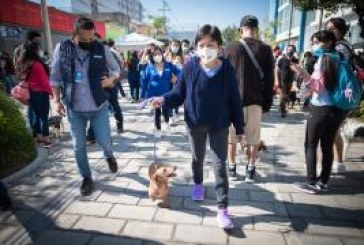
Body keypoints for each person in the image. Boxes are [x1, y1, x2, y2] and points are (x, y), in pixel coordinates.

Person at [150, 25, 244, 229]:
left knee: (220, 165)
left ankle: (223, 210)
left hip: (219, 124)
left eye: (211, 44)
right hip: (195, 124)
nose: (206, 48)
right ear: (196, 46)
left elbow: (235, 101)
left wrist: (240, 128)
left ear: (220, 47)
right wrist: (162, 100)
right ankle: (199, 184)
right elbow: (178, 94)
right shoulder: (190, 67)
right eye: (202, 45)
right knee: (197, 158)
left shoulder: (227, 70)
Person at [50, 17, 120, 196]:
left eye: (92, 38)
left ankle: (109, 155)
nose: (90, 41)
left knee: (105, 140)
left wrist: (111, 80)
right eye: (85, 39)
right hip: (75, 109)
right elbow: (56, 77)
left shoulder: (102, 48)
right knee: (78, 146)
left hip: (99, 106)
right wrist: (57, 101)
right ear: (74, 35)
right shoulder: (62, 49)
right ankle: (86, 177)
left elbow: (116, 69)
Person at [290, 30, 345, 194]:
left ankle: (311, 182)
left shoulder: (323, 59)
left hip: (320, 107)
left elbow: (317, 87)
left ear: (327, 42)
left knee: (310, 144)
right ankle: (324, 181)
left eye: (316, 42)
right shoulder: (340, 57)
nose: (313, 45)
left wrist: (304, 74)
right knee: (327, 145)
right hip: (337, 108)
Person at [225, 15, 274, 182]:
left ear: (240, 29)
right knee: (253, 137)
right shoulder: (266, 49)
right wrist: (267, 102)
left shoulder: (230, 48)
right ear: (257, 29)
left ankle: (231, 169)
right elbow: (269, 80)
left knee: (230, 138)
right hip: (255, 101)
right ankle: (251, 170)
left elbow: (223, 77)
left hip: (232, 102)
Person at [325, 17, 354, 174]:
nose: (330, 31)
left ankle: (324, 166)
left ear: (342, 30)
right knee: (334, 130)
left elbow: (333, 70)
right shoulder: (343, 45)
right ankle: (338, 162)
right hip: (339, 93)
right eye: (328, 28)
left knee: (328, 130)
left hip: (337, 94)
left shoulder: (340, 47)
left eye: (334, 28)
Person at [141, 46, 180, 137]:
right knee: (157, 112)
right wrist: (142, 94)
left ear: (162, 54)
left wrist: (176, 78)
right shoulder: (149, 67)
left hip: (165, 93)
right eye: (155, 54)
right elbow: (145, 81)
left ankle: (166, 122)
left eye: (159, 54)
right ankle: (158, 129)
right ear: (152, 56)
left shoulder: (169, 65)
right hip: (153, 94)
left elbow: (180, 72)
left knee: (165, 111)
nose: (157, 56)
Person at [20, 43, 53, 147]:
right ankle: (46, 139)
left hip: (33, 93)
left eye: (27, 61)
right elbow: (44, 82)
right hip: (41, 93)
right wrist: (51, 93)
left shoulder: (31, 67)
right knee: (43, 116)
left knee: (37, 116)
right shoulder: (38, 66)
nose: (27, 63)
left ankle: (39, 138)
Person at [14, 31, 42, 138]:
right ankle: (36, 129)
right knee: (34, 105)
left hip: (23, 79)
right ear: (30, 39)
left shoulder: (18, 49)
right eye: (36, 40)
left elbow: (15, 64)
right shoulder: (32, 49)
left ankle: (34, 128)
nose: (38, 42)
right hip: (32, 81)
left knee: (30, 104)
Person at [277, 44, 299, 117]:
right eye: (288, 49)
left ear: (294, 51)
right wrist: (277, 81)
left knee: (287, 95)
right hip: (282, 80)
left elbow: (297, 71)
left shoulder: (295, 60)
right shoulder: (282, 59)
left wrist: (295, 82)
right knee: (283, 96)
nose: (289, 51)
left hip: (290, 81)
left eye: (291, 49)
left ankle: (283, 106)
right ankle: (282, 111)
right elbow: (277, 70)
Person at [166, 39, 184, 125]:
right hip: (169, 80)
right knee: (170, 97)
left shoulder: (183, 57)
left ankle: (176, 114)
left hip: (178, 80)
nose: (175, 47)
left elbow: (185, 69)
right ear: (170, 46)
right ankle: (170, 117)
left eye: (177, 45)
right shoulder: (166, 56)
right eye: (174, 45)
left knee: (177, 97)